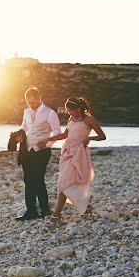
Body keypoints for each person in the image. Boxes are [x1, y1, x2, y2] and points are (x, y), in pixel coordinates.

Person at [45, 97, 106, 227]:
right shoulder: (71, 119)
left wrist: (89, 138)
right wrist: (48, 139)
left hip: (79, 153)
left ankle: (56, 217)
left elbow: (102, 136)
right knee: (68, 181)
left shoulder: (89, 120)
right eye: (68, 111)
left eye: (71, 111)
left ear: (79, 108)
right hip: (67, 152)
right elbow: (65, 135)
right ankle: (86, 207)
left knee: (63, 183)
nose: (70, 113)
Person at [15, 87, 61, 221]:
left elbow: (57, 132)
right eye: (29, 103)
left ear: (39, 98)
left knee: (38, 180)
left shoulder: (50, 113)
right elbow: (24, 127)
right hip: (27, 151)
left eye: (33, 102)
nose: (31, 105)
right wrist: (19, 136)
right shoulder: (26, 112)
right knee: (28, 181)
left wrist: (48, 143)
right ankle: (31, 211)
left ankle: (45, 209)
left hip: (42, 152)